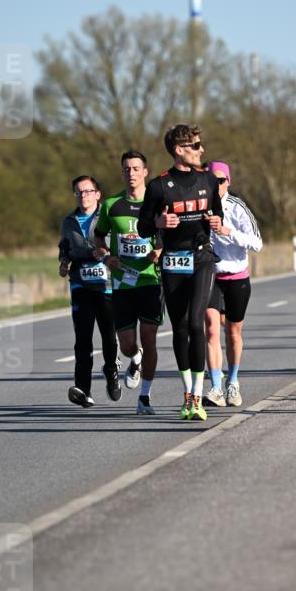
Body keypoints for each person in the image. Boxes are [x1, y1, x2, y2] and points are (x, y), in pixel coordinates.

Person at [138, 124, 223, 421]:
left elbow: (218, 214)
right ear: (179, 150)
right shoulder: (159, 186)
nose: (202, 150)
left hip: (201, 258)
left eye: (200, 145)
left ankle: (198, 396)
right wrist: (159, 224)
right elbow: (143, 226)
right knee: (181, 327)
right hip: (173, 261)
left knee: (197, 322)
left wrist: (216, 224)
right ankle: (187, 393)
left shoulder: (209, 180)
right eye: (195, 146)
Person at [94, 151, 163, 415]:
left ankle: (144, 397)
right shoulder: (111, 205)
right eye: (126, 169)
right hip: (122, 284)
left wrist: (160, 252)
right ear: (122, 173)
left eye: (136, 168)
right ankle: (135, 358)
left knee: (150, 337)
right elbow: (98, 239)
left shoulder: (156, 203)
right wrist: (107, 256)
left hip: (149, 281)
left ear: (145, 172)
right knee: (126, 345)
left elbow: (168, 235)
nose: (131, 173)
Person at [204, 161, 263, 407]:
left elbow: (257, 243)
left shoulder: (237, 207)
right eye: (210, 180)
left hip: (236, 276)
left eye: (220, 180)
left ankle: (233, 381)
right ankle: (216, 387)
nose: (215, 185)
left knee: (233, 332)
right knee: (211, 329)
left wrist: (228, 231)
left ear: (228, 181)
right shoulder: (200, 207)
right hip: (209, 276)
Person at [58, 175, 120, 407]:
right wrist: (63, 262)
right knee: (82, 338)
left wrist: (105, 254)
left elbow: (120, 245)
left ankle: (112, 370)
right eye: (78, 192)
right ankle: (83, 389)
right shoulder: (69, 221)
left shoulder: (109, 217)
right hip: (80, 284)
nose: (83, 196)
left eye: (87, 191)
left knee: (108, 336)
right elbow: (64, 247)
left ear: (97, 194)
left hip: (107, 286)